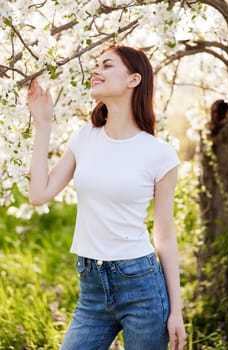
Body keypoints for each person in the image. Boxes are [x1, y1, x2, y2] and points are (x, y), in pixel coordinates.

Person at [28, 45, 186, 350]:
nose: (96, 71)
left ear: (133, 80)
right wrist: (43, 124)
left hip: (141, 285)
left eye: (107, 65)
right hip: (92, 286)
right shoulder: (84, 137)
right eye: (96, 64)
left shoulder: (160, 154)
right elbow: (38, 194)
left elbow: (165, 236)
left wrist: (176, 311)